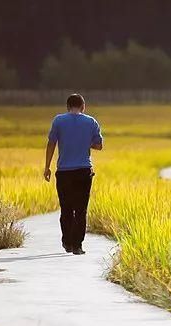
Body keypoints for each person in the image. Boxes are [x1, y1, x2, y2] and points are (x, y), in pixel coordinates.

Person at [43, 93, 103, 255]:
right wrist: (85, 142)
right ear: (83, 107)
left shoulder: (58, 121)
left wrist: (47, 167)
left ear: (68, 107)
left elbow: (51, 143)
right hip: (84, 171)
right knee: (81, 210)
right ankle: (77, 246)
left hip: (64, 172)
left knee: (66, 208)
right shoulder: (91, 122)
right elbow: (99, 145)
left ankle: (67, 242)